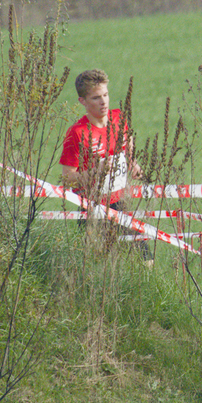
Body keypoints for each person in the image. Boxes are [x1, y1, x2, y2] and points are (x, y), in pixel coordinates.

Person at [60, 69, 150, 264]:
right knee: (97, 266)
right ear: (83, 101)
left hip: (121, 203)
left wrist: (133, 164)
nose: (103, 102)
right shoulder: (77, 133)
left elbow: (129, 149)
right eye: (96, 98)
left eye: (106, 95)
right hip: (93, 207)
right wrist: (96, 172)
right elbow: (67, 177)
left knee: (145, 261)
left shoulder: (120, 119)